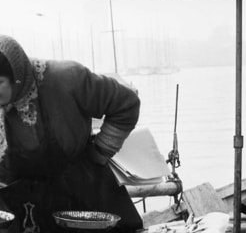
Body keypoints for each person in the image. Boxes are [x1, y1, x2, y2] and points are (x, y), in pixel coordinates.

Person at [0, 35, 143, 233]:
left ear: (17, 77)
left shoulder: (68, 78)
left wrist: (101, 150)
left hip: (83, 186)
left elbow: (126, 104)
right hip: (27, 201)